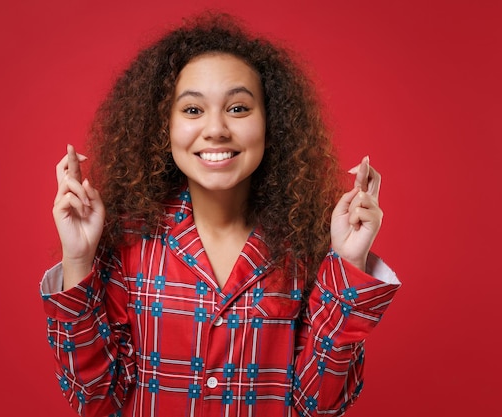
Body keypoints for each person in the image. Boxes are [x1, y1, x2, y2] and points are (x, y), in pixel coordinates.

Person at [41, 12, 400, 417]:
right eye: (193, 110)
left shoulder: (305, 247)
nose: (215, 129)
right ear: (164, 126)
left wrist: (348, 263)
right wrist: (78, 260)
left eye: (238, 108)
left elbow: (318, 407)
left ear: (272, 125)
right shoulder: (128, 240)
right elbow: (96, 399)